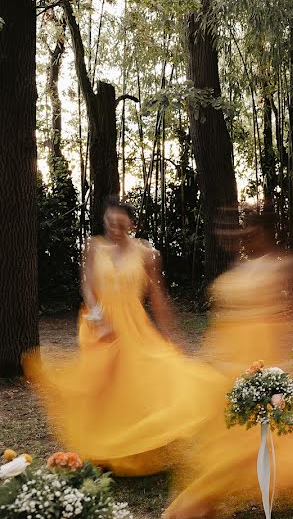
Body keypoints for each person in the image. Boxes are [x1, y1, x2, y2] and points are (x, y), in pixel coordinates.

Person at [163, 206, 293, 519]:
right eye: (244, 231)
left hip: (259, 356)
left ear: (266, 231)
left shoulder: (287, 265)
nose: (247, 236)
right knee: (229, 430)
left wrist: (290, 361)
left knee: (261, 433)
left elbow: (290, 314)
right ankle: (211, 495)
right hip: (229, 357)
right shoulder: (242, 267)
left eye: (252, 230)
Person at [26, 197, 222, 476]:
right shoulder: (94, 247)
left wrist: (169, 332)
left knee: (139, 378)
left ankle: (137, 447)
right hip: (100, 324)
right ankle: (102, 446)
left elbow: (157, 296)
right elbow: (87, 285)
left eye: (121, 223)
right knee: (104, 383)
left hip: (134, 324)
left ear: (132, 224)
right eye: (110, 223)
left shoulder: (146, 253)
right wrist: (98, 317)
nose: (115, 228)